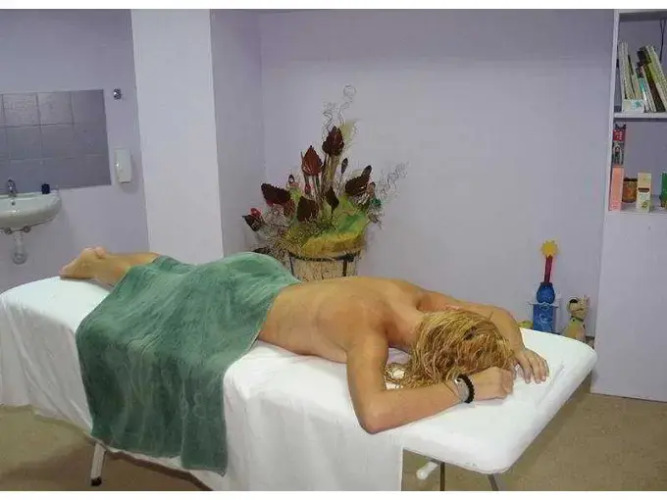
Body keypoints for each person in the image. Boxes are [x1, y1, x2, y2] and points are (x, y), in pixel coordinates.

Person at [60, 247, 548, 435]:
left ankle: (103, 256)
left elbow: (497, 313)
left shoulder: (417, 299)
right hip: (236, 299)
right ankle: (93, 265)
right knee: (158, 288)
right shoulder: (369, 333)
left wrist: (517, 346)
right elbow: (374, 414)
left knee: (176, 272)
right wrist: (467, 387)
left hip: (263, 273)